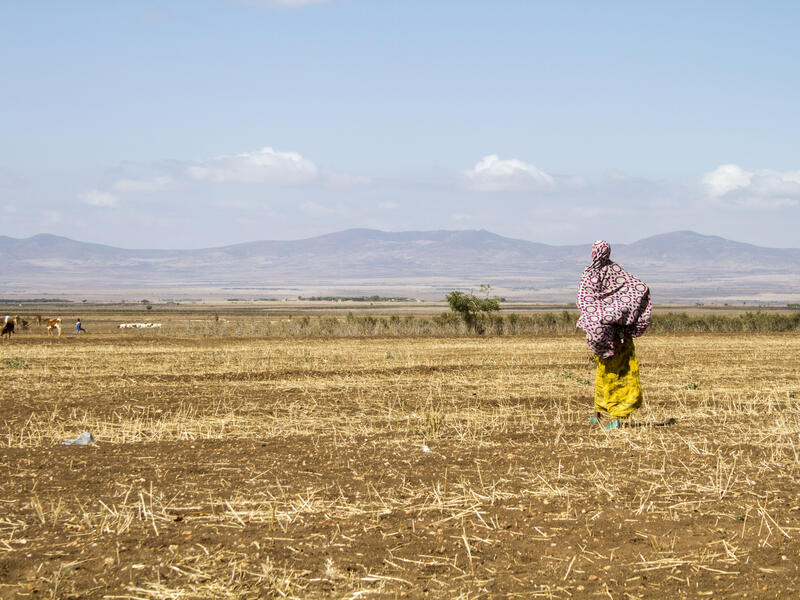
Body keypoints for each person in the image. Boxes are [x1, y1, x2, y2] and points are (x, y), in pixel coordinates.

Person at [576, 240, 652, 429]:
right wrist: (616, 313)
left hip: (603, 334)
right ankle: (600, 413)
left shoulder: (589, 273)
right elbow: (639, 288)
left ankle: (616, 418)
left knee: (611, 373)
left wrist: (599, 317)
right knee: (610, 372)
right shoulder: (617, 272)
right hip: (618, 334)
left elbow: (585, 301)